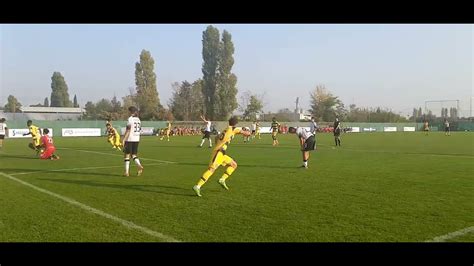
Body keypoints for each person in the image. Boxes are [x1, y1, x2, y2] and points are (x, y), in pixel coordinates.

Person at [193, 116, 251, 197]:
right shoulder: (233, 129)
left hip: (222, 153)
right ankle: (197, 186)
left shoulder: (226, 129)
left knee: (233, 165)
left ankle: (222, 179)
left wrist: (218, 144)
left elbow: (217, 137)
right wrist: (249, 132)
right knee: (211, 170)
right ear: (236, 123)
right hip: (218, 153)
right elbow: (246, 133)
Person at [122, 106, 144, 177]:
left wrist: (124, 139)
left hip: (130, 139)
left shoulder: (130, 119)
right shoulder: (138, 119)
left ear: (130, 112)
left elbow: (128, 130)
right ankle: (139, 165)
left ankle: (127, 172)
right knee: (134, 155)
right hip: (137, 138)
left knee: (127, 155)